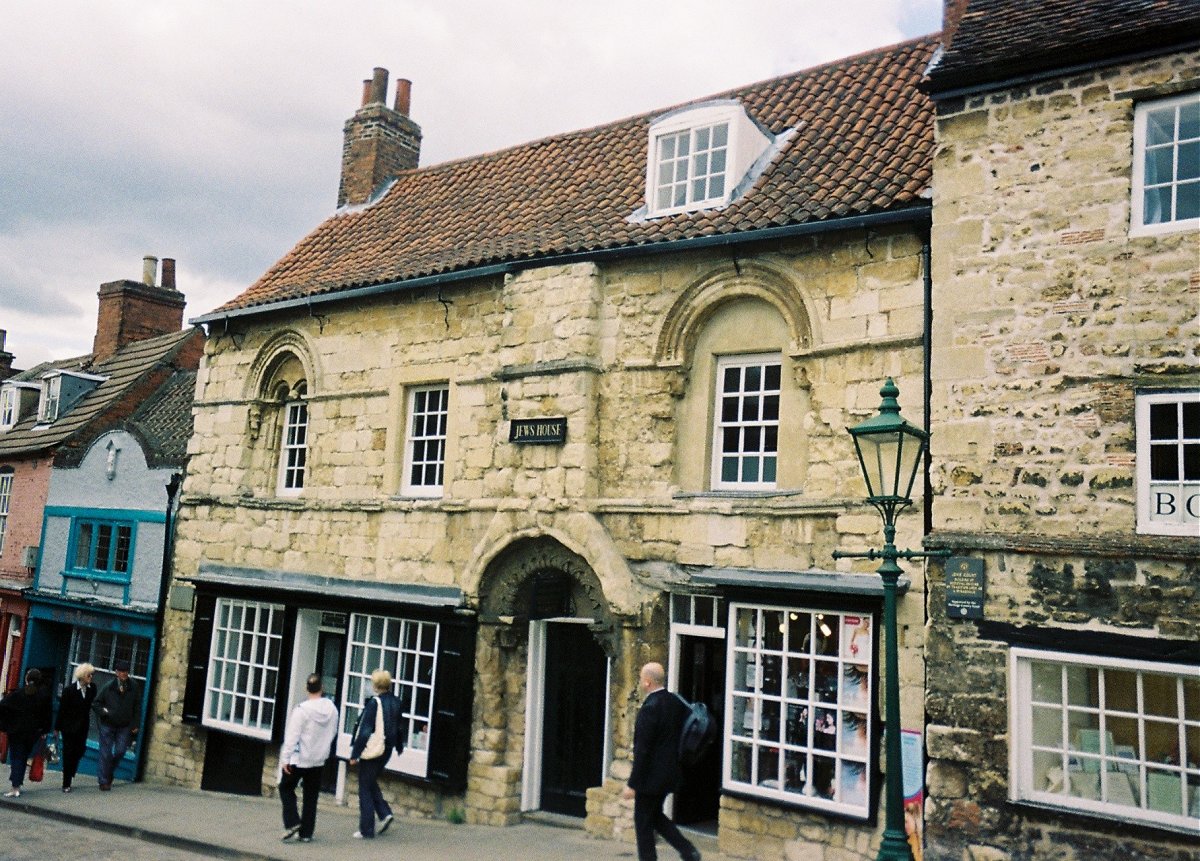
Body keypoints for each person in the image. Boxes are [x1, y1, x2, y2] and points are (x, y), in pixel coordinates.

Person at [622, 662, 701, 861]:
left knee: (643, 822)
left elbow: (643, 749)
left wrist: (633, 783)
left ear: (647, 682)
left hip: (651, 777)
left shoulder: (650, 708)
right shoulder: (675, 702)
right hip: (670, 772)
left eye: (641, 678)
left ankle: (655, 857)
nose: (640, 682)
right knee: (655, 816)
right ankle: (688, 850)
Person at [279, 673, 339, 843]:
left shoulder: (301, 711)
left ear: (306, 688)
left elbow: (292, 736)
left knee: (285, 787)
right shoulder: (332, 709)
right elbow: (333, 732)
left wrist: (285, 758)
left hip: (299, 758)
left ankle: (292, 822)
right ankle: (306, 833)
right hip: (318, 758)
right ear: (322, 688)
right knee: (311, 796)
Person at [348, 668, 404, 839]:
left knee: (364, 787)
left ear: (375, 685)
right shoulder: (396, 701)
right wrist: (399, 746)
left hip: (374, 749)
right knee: (370, 781)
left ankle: (366, 829)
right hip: (387, 749)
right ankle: (385, 813)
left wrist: (355, 753)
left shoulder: (374, 703)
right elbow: (400, 726)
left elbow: (365, 731)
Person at [0, 668, 52, 798]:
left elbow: (2, 706)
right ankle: (18, 784)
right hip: (33, 733)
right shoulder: (43, 696)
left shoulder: (17, 694)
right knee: (23, 758)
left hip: (17, 732)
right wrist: (44, 730)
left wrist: (6, 724)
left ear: (27, 679)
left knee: (17, 758)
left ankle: (15, 787)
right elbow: (47, 715)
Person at [92, 659, 141, 791]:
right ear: (116, 673)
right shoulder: (109, 686)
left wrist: (135, 724)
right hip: (108, 724)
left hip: (124, 725)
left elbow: (137, 706)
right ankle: (103, 780)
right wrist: (104, 713)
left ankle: (108, 772)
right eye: (121, 671)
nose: (124, 674)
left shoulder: (134, 686)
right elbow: (96, 703)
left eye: (126, 671)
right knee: (105, 753)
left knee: (120, 751)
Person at [55, 662, 97, 793]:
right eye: (88, 675)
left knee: (80, 751)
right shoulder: (69, 691)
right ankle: (66, 783)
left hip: (83, 726)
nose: (91, 677)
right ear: (82, 676)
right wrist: (57, 728)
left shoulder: (92, 688)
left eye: (92, 675)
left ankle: (71, 771)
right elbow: (62, 710)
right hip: (69, 727)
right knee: (68, 754)